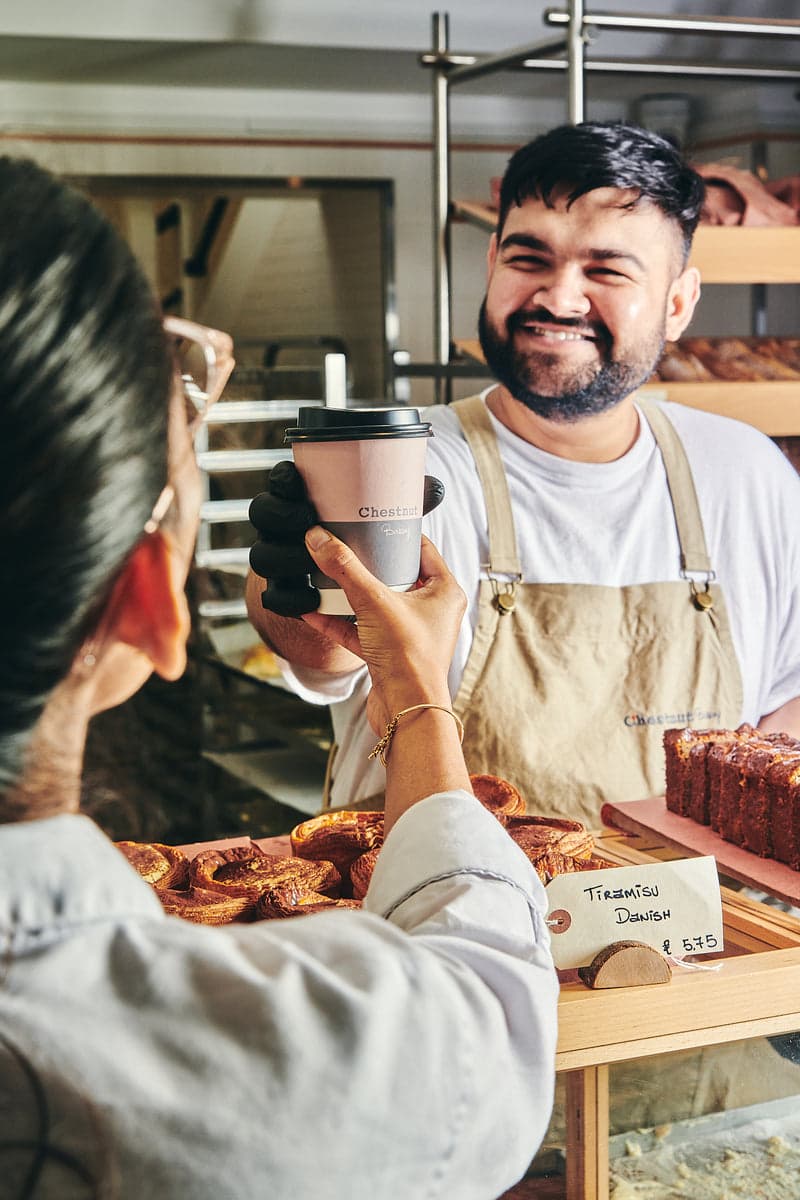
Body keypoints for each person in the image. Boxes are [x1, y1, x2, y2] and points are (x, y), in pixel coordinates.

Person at [0, 155, 559, 1199]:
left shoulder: (735, 473)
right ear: (148, 608)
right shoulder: (315, 1062)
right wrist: (416, 695)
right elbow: (486, 993)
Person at [246, 120, 800, 824]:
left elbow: (785, 710)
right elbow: (326, 656)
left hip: (695, 923)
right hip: (439, 920)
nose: (558, 299)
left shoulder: (744, 471)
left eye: (606, 269)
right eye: (528, 258)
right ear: (491, 265)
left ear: (678, 302)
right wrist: (285, 582)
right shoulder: (408, 465)